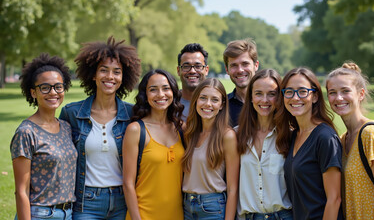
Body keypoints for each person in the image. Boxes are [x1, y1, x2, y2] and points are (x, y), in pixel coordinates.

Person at [59, 36, 141, 219]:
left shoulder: (132, 115)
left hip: (122, 201)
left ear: (123, 77)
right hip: (86, 202)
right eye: (103, 70)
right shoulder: (71, 113)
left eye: (116, 72)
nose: (110, 77)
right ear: (93, 75)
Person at [326, 62, 374, 220]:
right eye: (332, 92)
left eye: (345, 91)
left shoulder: (371, 134)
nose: (338, 98)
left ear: (360, 94)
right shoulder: (343, 139)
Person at [11, 53, 77, 220]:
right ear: (33, 92)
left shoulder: (66, 127)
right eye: (45, 87)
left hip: (68, 214)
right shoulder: (26, 132)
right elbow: (21, 191)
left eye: (58, 86)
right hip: (40, 215)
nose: (53, 92)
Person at [275, 67, 343, 220]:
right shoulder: (294, 135)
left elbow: (335, 199)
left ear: (315, 96)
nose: (295, 97)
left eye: (302, 91)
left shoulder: (325, 138)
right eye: (289, 91)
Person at [122, 69, 184, 220]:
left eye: (166, 88)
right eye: (153, 90)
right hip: (143, 215)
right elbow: (128, 183)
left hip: (177, 215)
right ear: (145, 95)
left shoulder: (181, 128)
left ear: (173, 92)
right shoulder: (136, 130)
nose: (161, 94)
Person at [236, 69, 292, 220]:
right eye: (259, 93)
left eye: (271, 94)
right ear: (251, 98)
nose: (265, 100)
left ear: (279, 97)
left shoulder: (291, 135)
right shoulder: (236, 136)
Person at [181, 78, 239, 220]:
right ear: (195, 101)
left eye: (214, 99)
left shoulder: (227, 136)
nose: (208, 104)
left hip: (212, 207)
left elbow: (233, 189)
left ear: (221, 105)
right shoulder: (190, 133)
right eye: (203, 98)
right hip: (187, 206)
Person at [223, 38, 259, 127]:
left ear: (256, 65)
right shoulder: (221, 107)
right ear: (227, 70)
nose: (240, 70)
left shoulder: (270, 103)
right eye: (234, 65)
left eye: (245, 64)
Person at [177, 43, 209, 121]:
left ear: (206, 70)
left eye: (198, 66)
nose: (192, 71)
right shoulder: (169, 105)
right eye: (186, 66)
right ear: (178, 70)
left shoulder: (216, 104)